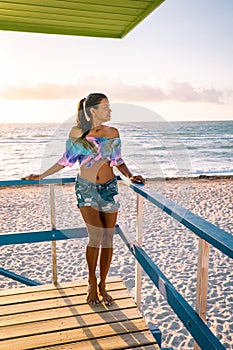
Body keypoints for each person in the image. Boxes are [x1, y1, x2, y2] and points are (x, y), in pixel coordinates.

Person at [22, 93, 145, 305]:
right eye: (106, 107)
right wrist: (41, 175)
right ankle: (91, 281)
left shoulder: (113, 132)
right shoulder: (78, 134)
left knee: (107, 238)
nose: (110, 111)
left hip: (109, 188)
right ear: (93, 111)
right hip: (86, 189)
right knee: (95, 237)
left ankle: (103, 285)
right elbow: (65, 161)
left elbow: (118, 161)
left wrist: (130, 175)